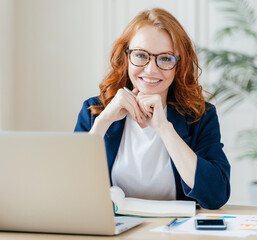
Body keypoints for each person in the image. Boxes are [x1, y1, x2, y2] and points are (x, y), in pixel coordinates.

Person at [74, 8, 230, 210]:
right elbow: (70, 188)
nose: (151, 69)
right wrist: (103, 122)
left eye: (165, 58)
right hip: (115, 230)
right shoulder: (94, 110)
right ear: (126, 56)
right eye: (140, 55)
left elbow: (216, 195)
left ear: (178, 65)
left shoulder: (200, 116)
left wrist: (165, 128)